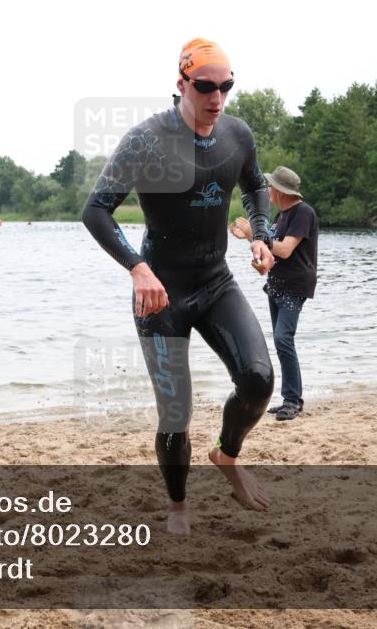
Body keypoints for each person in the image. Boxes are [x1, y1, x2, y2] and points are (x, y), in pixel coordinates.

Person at [82, 38, 276, 535]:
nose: (217, 97)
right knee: (175, 413)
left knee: (258, 380)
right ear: (182, 84)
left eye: (226, 86)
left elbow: (256, 185)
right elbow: (96, 210)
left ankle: (226, 455)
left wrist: (261, 233)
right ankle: (178, 507)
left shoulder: (237, 134)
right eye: (206, 86)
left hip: (215, 283)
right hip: (160, 294)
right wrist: (137, 268)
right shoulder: (147, 140)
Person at [229, 166, 318, 421]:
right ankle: (290, 398)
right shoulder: (282, 216)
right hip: (277, 284)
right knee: (281, 341)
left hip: (294, 285)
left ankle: (293, 400)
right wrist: (252, 243)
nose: (267, 190)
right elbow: (272, 251)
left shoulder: (303, 212)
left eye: (270, 186)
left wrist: (253, 234)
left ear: (280, 191)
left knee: (283, 339)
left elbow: (286, 250)